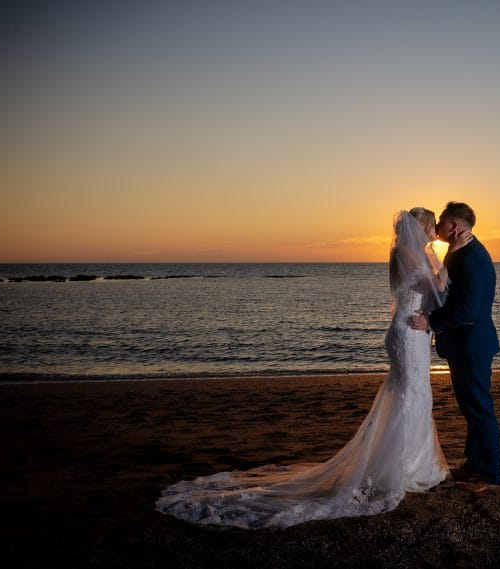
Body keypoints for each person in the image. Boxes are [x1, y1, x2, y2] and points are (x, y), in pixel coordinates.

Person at [156, 208, 449, 528]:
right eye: (431, 226)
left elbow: (431, 294)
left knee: (418, 394)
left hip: (418, 333)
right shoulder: (405, 252)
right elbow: (428, 290)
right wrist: (448, 267)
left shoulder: (415, 252)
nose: (433, 231)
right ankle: (395, 470)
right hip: (407, 333)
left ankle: (418, 466)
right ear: (419, 227)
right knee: (409, 394)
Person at [408, 202, 500, 493]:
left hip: (472, 344)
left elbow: (468, 308)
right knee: (470, 406)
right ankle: (474, 463)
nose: (437, 229)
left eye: (443, 223)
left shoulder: (473, 258)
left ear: (455, 226)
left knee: (479, 408)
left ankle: (490, 475)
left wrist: (431, 322)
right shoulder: (459, 250)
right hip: (464, 344)